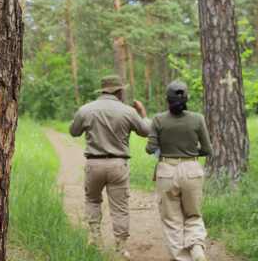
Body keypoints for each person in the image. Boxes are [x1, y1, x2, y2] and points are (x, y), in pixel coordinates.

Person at [70, 75, 151, 260]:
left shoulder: (86, 109)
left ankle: (95, 240)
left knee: (92, 201)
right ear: (119, 91)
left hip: (93, 163)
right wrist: (143, 115)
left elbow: (74, 131)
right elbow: (146, 131)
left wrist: (81, 119)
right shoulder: (128, 111)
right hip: (118, 165)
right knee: (120, 208)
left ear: (103, 90)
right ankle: (121, 248)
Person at [145, 80, 213, 261]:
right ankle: (197, 248)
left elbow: (150, 149)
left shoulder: (158, 119)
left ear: (167, 99)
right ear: (187, 98)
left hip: (167, 170)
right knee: (193, 213)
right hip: (192, 169)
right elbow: (208, 150)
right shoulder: (198, 118)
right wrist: (190, 152)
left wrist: (163, 145)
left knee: (172, 219)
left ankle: (182, 259)